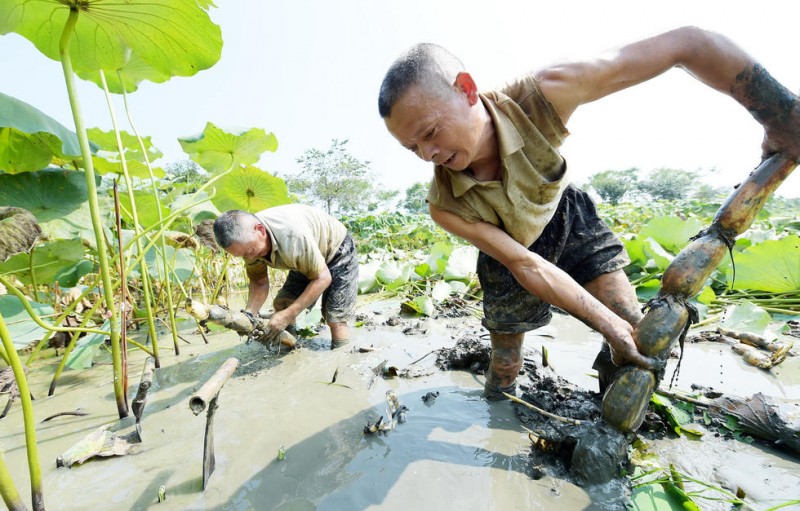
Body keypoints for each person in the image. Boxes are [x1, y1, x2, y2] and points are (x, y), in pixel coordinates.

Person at [378, 26, 800, 399]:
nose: (428, 154)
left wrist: (779, 113)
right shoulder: (445, 204)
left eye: (431, 132)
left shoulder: (542, 95)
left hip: (568, 216)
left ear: (467, 89)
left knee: (634, 328)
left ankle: (613, 418)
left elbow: (688, 44)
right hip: (509, 254)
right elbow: (525, 264)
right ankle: (499, 414)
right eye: (412, 147)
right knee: (505, 363)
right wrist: (602, 324)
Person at [212, 204, 359, 348]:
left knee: (335, 317)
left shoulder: (292, 236)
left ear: (260, 230)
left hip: (337, 249)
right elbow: (258, 281)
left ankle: (341, 356)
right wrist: (250, 314)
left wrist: (289, 315)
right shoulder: (247, 245)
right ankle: (292, 347)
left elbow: (323, 278)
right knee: (283, 303)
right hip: (306, 257)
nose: (249, 257)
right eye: (243, 255)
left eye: (250, 251)